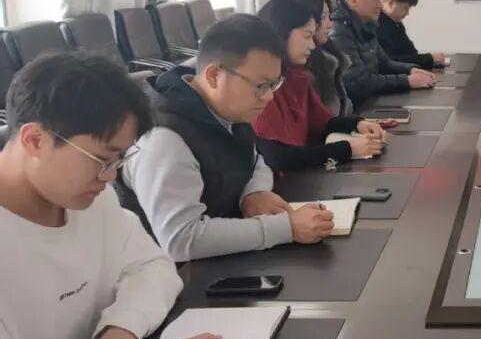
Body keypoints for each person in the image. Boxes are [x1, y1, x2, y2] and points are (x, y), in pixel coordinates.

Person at [0, 52, 230, 339]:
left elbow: (154, 266)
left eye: (120, 159)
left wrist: (123, 325)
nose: (110, 178)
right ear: (35, 140)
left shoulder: (89, 200)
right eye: (102, 160)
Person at [117, 15, 334, 262]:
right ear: (213, 76)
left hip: (226, 258)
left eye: (274, 84)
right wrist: (288, 228)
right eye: (261, 85)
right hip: (176, 276)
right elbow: (180, 240)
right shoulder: (164, 139)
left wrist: (254, 193)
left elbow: (256, 161)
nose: (269, 97)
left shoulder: (228, 109)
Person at [254, 0, 386, 171]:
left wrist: (357, 124)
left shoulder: (297, 77)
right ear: (282, 33)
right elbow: (278, 158)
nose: (313, 45)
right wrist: (347, 149)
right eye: (307, 36)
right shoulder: (262, 87)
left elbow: (321, 123)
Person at [330, 0, 436, 105]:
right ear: (353, 0)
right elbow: (359, 83)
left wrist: (411, 69)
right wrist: (407, 81)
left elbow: (384, 62)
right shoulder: (339, 32)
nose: (380, 5)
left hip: (371, 100)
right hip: (355, 109)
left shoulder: (368, 24)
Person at [293, 0, 353, 115]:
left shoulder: (330, 57)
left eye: (329, 16)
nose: (330, 24)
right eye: (323, 17)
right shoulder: (300, 68)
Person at [377, 0, 447, 70]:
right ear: (391, 3)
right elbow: (390, 62)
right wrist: (430, 58)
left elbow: (411, 53)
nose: (407, 13)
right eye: (405, 8)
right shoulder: (376, 24)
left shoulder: (395, 23)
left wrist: (430, 59)